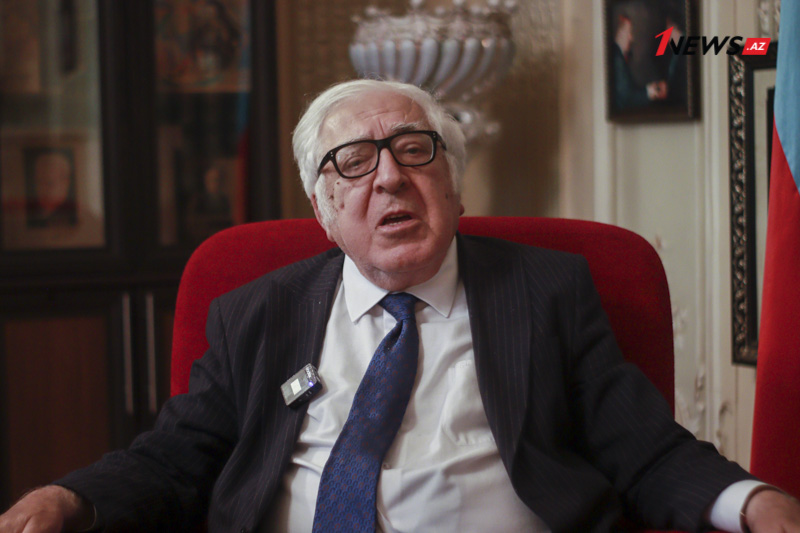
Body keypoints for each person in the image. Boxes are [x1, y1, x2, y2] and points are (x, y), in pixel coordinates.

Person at [2, 79, 800, 533]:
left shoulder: (546, 292)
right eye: (353, 161)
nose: (389, 177)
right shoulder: (257, 313)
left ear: (454, 184)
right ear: (323, 208)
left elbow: (646, 450)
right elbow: (173, 456)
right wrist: (68, 497)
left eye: (415, 151)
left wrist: (756, 503)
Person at [612, 14, 667, 110]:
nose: (631, 38)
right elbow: (626, 99)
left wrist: (650, 89)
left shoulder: (618, 56)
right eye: (629, 32)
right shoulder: (617, 59)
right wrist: (649, 92)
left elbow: (629, 90)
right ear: (620, 33)